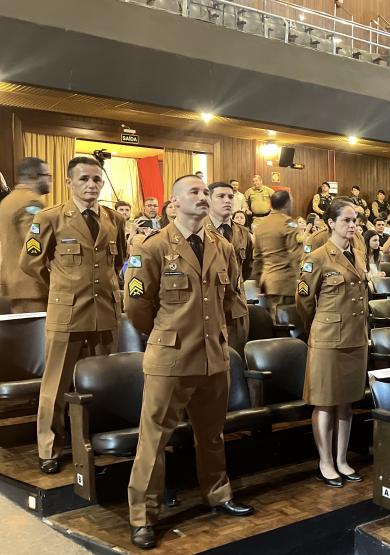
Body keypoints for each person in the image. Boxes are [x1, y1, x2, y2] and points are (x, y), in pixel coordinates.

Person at [123, 174, 251, 549]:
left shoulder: (221, 246)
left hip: (213, 357)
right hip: (171, 358)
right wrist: (166, 334)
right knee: (153, 439)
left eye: (205, 191)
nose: (203, 196)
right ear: (174, 202)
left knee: (211, 435)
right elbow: (136, 306)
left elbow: (231, 298)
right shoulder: (153, 247)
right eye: (194, 191)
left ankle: (218, 493)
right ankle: (142, 516)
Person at [19, 156, 126, 474]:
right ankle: (49, 448)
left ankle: (98, 439)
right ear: (68, 182)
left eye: (96, 179)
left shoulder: (112, 219)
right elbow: (30, 262)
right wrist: (61, 289)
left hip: (105, 313)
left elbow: (120, 259)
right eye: (83, 179)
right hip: (67, 314)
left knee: (103, 383)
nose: (91, 185)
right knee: (55, 385)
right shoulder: (49, 218)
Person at [296, 200, 369, 486]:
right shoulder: (317, 258)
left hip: (355, 338)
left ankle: (341, 459)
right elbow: (304, 301)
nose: (352, 225)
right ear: (331, 223)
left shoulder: (358, 254)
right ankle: (325, 461)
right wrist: (318, 326)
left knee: (347, 403)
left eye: (355, 221)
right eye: (346, 221)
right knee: (325, 404)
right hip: (327, 340)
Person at [206, 182, 254, 355]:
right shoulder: (197, 229)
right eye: (221, 196)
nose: (227, 200)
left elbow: (246, 268)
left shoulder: (243, 233)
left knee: (235, 361)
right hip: (207, 308)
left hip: (236, 309)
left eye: (230, 197)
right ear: (208, 200)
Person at [0, 157, 50, 312]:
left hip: (13, 285)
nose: (49, 181)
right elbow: (35, 245)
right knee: (37, 335)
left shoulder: (7, 201)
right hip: (33, 287)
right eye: (47, 176)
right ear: (35, 176)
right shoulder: (31, 202)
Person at [251, 191, 299, 321]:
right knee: (287, 325)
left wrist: (256, 283)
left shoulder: (261, 225)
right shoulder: (289, 223)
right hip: (286, 284)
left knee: (272, 323)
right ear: (287, 204)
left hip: (267, 283)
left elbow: (257, 259)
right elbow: (297, 255)